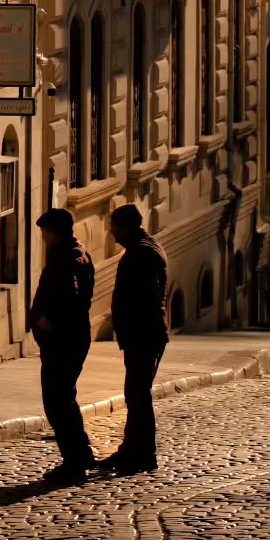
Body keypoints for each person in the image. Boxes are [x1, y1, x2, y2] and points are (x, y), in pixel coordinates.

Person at [28, 207, 97, 485]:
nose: (43, 237)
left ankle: (75, 462)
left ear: (54, 232)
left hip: (64, 339)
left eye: (45, 232)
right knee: (64, 398)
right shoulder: (76, 252)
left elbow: (69, 295)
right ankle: (80, 455)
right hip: (70, 337)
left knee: (57, 401)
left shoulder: (66, 257)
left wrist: (49, 320)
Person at [104, 203, 169, 474]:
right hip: (143, 334)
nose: (111, 232)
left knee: (139, 396)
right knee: (135, 395)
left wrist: (131, 330)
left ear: (126, 226)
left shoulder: (142, 254)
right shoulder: (144, 248)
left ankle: (144, 454)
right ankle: (131, 450)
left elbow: (143, 299)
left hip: (144, 335)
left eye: (114, 227)